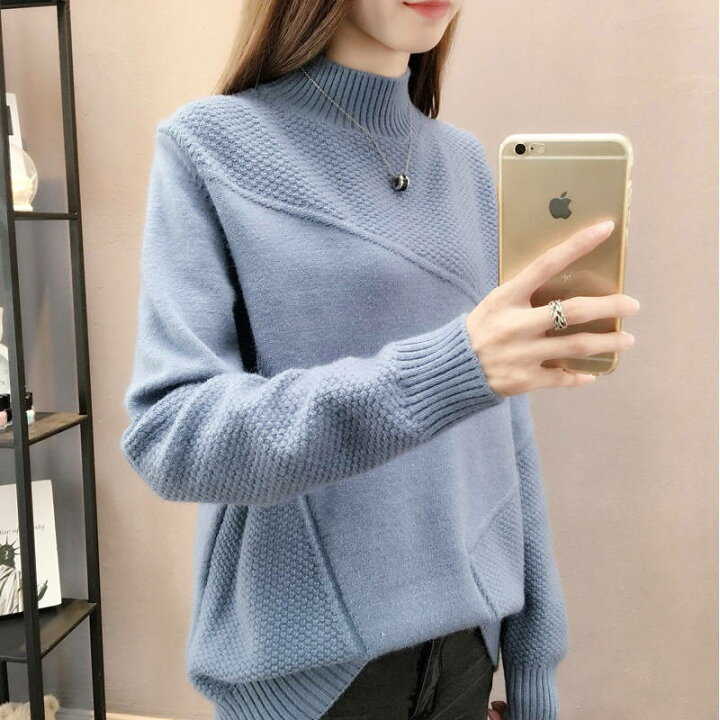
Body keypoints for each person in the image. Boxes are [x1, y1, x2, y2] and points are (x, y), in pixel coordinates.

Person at [120, 1, 640, 719]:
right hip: (313, 675)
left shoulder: (464, 165)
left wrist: (532, 669)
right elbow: (171, 436)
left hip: (467, 652)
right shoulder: (210, 146)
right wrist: (451, 369)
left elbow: (505, 440)